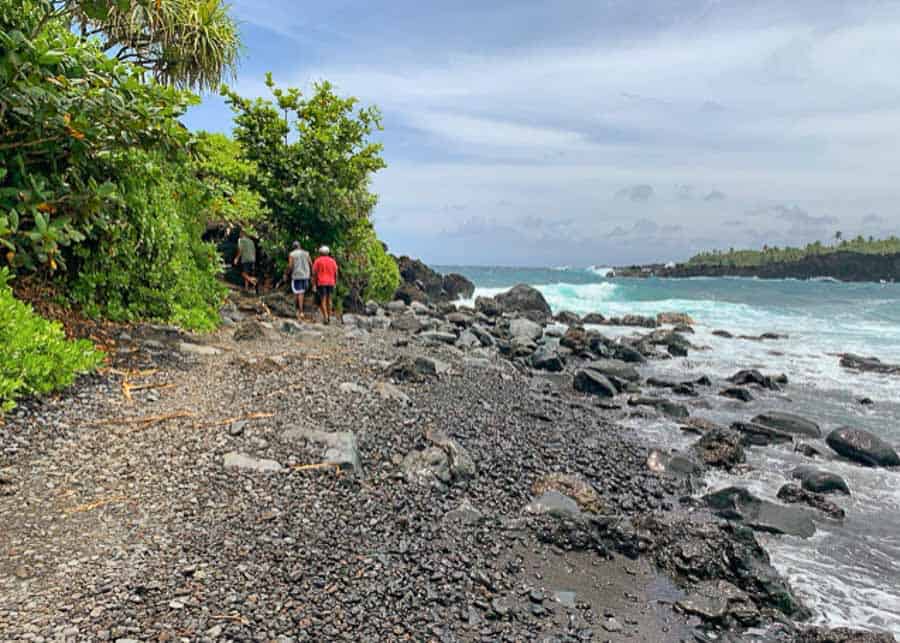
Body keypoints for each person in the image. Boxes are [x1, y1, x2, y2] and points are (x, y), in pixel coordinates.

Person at [285, 241, 312, 320]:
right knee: (302, 293)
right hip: (306, 276)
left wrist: (286, 274)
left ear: (293, 247)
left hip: (297, 275)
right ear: (300, 246)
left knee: (297, 293)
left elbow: (290, 266)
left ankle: (298, 311)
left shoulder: (292, 254)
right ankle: (300, 311)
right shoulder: (306, 253)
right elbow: (311, 263)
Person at [312, 245, 338, 325]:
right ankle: (329, 316)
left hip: (321, 282)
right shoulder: (332, 261)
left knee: (323, 300)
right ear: (328, 253)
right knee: (329, 300)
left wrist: (313, 284)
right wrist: (335, 282)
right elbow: (336, 273)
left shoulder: (318, 261)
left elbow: (314, 273)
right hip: (331, 282)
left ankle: (325, 317)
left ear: (320, 253)